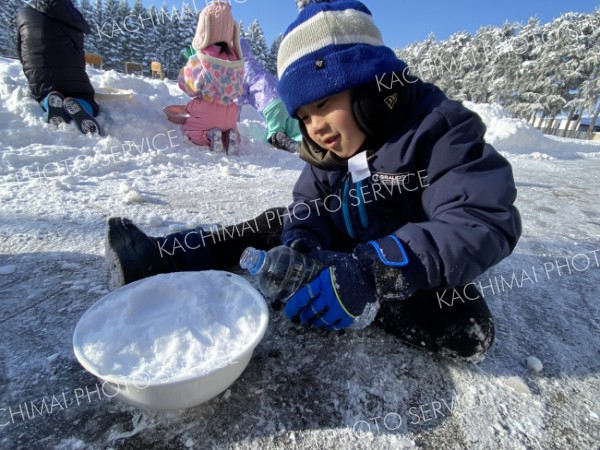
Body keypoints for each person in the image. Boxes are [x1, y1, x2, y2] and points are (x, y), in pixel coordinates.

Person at [105, 0, 521, 363]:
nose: (315, 127)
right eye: (303, 116)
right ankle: (164, 257)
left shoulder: (441, 130)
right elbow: (309, 202)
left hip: (406, 265)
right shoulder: (330, 149)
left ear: (369, 89)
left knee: (466, 332)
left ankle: (362, 301)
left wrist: (372, 275)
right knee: (273, 225)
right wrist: (303, 243)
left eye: (323, 105)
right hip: (341, 247)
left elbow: (481, 219)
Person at [16, 0, 102, 135]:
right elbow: (79, 53)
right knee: (88, 100)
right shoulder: (71, 14)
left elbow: (21, 51)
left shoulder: (23, 13)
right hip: (71, 72)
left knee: (42, 94)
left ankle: (49, 101)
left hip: (37, 73)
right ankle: (79, 103)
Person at [178, 1, 244, 154]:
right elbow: (238, 89)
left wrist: (183, 74)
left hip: (207, 110)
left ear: (203, 30)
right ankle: (230, 135)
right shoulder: (236, 61)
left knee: (190, 128)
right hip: (230, 113)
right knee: (228, 126)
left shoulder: (200, 58)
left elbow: (190, 87)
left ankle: (209, 135)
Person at [238, 38, 302, 153]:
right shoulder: (256, 66)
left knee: (276, 129)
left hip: (269, 103)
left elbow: (238, 97)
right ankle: (301, 140)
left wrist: (234, 122)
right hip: (283, 98)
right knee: (291, 127)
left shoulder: (240, 71)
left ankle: (279, 138)